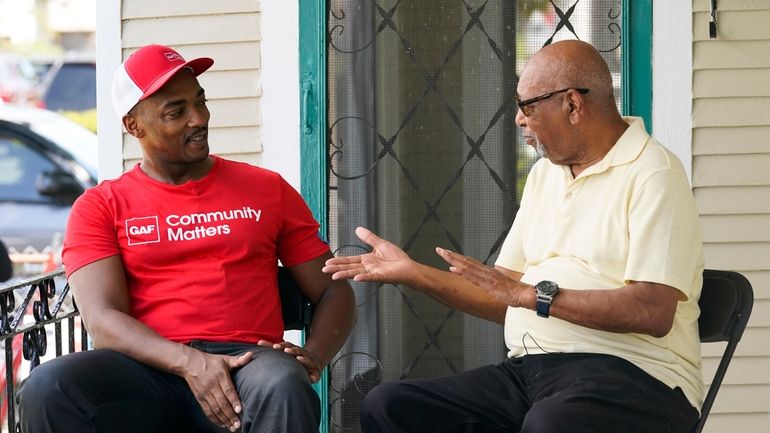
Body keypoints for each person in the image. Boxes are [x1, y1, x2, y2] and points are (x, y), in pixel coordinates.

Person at [323, 39, 704, 433]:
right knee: (389, 407)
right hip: (533, 372)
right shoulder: (545, 176)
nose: (519, 120)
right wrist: (414, 273)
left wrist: (537, 296)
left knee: (550, 423)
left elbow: (652, 311)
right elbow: (504, 294)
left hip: (640, 377)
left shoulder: (653, 173)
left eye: (527, 106)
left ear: (572, 105)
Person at [17, 44, 356, 433]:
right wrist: (190, 362)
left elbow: (334, 290)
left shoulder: (266, 190)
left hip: (248, 367)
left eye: (200, 102)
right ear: (134, 125)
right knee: (47, 387)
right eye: (176, 112)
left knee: (284, 384)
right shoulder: (101, 206)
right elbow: (103, 319)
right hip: (146, 371)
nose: (198, 119)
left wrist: (313, 356)